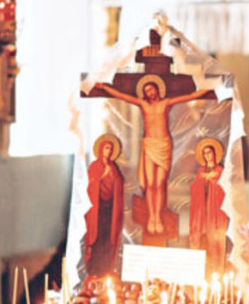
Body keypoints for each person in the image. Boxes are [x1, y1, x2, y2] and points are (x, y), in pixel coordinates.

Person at [94, 77, 212, 235]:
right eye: (146, 91)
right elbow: (123, 96)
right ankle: (153, 217)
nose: (150, 92)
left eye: (152, 89)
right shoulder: (143, 105)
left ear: (157, 90)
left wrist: (208, 89)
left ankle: (158, 216)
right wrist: (104, 87)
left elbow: (189, 96)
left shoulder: (166, 103)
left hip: (163, 145)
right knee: (150, 185)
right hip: (149, 144)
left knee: (160, 184)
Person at [85, 135, 125, 276]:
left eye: (111, 149)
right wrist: (102, 176)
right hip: (97, 209)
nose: (108, 151)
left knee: (107, 238)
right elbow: (90, 185)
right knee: (97, 238)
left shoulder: (114, 168)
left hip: (109, 209)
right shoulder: (95, 166)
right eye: (107, 148)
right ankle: (94, 269)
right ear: (101, 149)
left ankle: (106, 268)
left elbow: (119, 184)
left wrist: (113, 177)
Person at [189, 138, 229, 275]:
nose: (208, 156)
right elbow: (194, 188)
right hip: (202, 212)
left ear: (214, 154)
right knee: (200, 241)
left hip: (215, 213)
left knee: (216, 242)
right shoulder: (201, 171)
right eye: (205, 153)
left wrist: (213, 181)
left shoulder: (220, 171)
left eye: (210, 153)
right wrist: (203, 180)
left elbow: (225, 189)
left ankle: (217, 271)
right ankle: (200, 272)